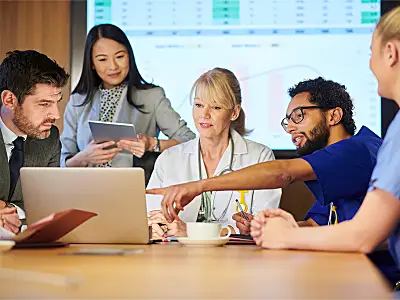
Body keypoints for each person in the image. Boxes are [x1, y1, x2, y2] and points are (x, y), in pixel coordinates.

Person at [250, 6, 400, 288]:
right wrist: (280, 228)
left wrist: (284, 236)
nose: (369, 64)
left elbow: (366, 235)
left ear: (391, 53)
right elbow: (326, 226)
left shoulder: (361, 149)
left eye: (371, 52)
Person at [147, 77, 382, 232]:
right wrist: (259, 228)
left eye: (299, 116)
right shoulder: (338, 167)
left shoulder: (358, 151)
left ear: (333, 116)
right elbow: (314, 224)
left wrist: (200, 186)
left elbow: (283, 172)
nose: (290, 127)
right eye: (287, 120)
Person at [146, 68, 281, 238]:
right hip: (177, 257)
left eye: (216, 107)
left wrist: (191, 232)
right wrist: (158, 227)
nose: (204, 114)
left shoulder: (260, 157)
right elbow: (151, 216)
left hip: (238, 259)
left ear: (234, 112)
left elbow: (263, 226)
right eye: (198, 105)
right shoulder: (169, 158)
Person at [61, 24, 195, 184]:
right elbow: (63, 160)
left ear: (129, 56)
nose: (113, 66)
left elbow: (189, 139)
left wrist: (153, 144)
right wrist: (83, 157)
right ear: (91, 63)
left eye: (119, 56)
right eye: (102, 59)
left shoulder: (151, 96)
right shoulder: (78, 101)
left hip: (135, 189)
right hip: (85, 189)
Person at [0, 50, 69, 233]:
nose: (56, 115)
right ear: (9, 100)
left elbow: (46, 202)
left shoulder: (49, 138)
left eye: (57, 102)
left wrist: (12, 211)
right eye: (44, 104)